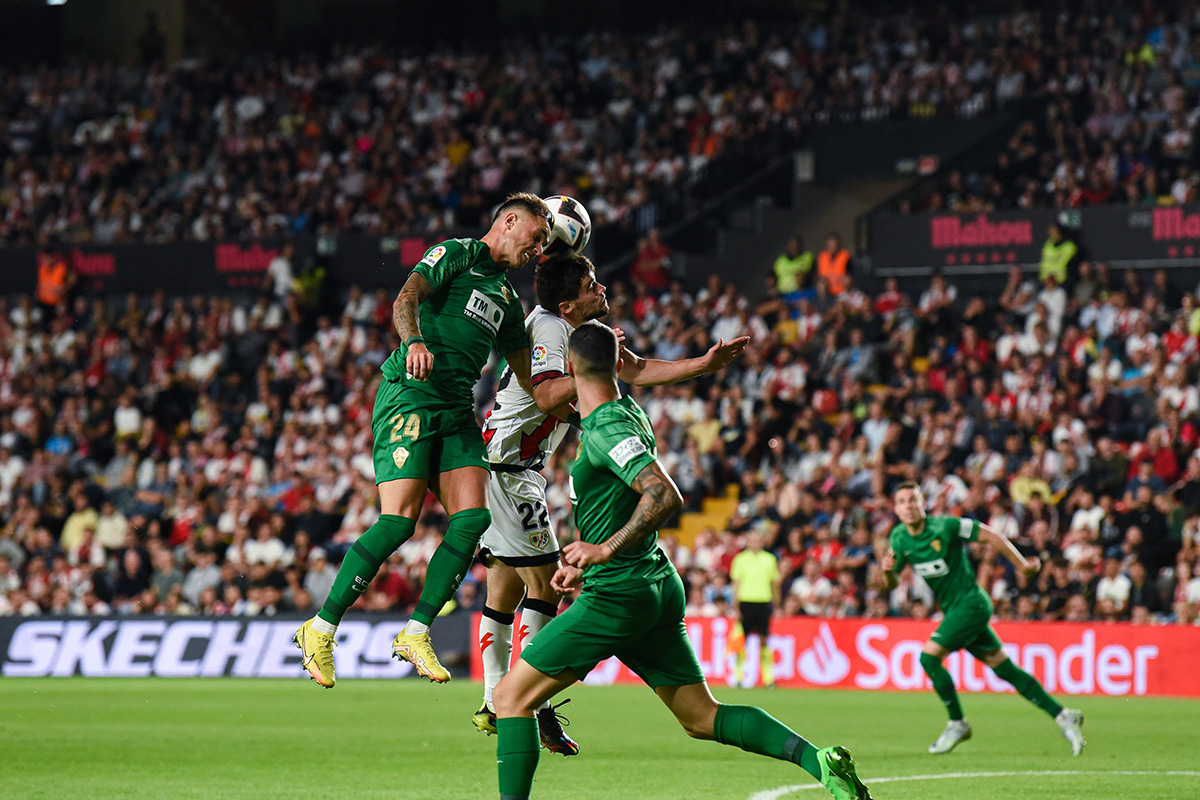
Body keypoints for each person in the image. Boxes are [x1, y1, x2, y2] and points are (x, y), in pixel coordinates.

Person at [491, 322, 872, 800]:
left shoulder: (607, 424)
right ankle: (819, 760)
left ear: (568, 366)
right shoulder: (624, 411)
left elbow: (664, 494)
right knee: (701, 717)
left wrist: (603, 551)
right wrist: (585, 558)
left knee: (509, 698)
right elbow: (619, 500)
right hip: (652, 583)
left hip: (619, 593)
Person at [474, 252, 750, 753]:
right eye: (591, 285)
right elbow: (546, 395)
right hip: (505, 468)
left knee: (507, 585)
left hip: (522, 471)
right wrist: (591, 367)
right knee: (542, 582)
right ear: (567, 303)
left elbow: (637, 372)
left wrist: (703, 365)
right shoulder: (549, 330)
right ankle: (514, 702)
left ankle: (505, 696)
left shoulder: (582, 337)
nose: (602, 289)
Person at [293, 192, 555, 688]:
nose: (538, 248)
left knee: (474, 519)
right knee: (399, 522)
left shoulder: (507, 300)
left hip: (456, 410)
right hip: (410, 396)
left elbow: (529, 376)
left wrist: (585, 376)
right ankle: (320, 627)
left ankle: (416, 631)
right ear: (510, 221)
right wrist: (413, 341)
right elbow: (405, 298)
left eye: (544, 243)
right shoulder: (456, 253)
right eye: (536, 236)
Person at [880, 482, 1086, 756]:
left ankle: (957, 723)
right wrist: (887, 572)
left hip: (972, 604)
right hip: (955, 610)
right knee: (1004, 668)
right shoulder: (898, 537)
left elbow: (991, 535)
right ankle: (1063, 715)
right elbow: (891, 583)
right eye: (902, 501)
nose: (908, 506)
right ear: (896, 508)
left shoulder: (946, 527)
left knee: (928, 658)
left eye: (913, 500)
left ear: (923, 503)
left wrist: (1022, 564)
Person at [729, 530, 781, 688]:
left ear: (762, 542)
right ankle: (738, 676)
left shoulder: (770, 559)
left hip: (763, 601)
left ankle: (768, 678)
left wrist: (777, 603)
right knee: (740, 641)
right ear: (747, 542)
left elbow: (774, 583)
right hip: (745, 601)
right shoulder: (740, 559)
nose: (755, 543)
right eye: (752, 540)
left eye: (758, 540)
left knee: (764, 640)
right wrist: (735, 607)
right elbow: (736, 584)